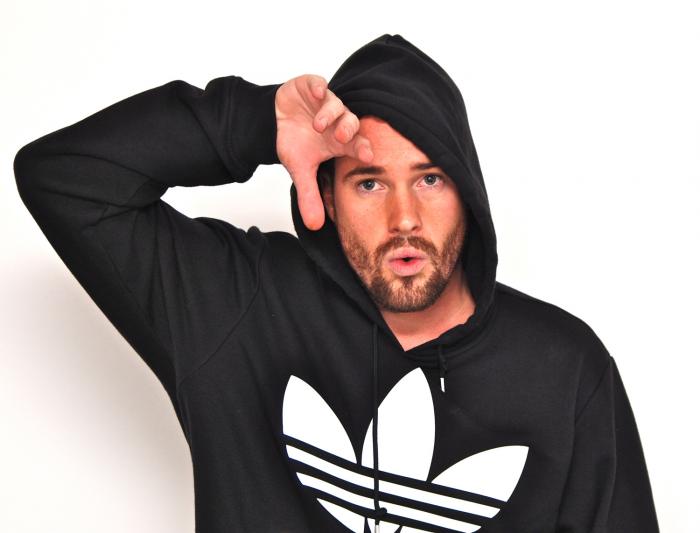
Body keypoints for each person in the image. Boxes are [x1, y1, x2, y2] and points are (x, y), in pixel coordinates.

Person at [14, 33, 659, 533]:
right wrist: (256, 122)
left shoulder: (566, 370)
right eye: (369, 182)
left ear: (467, 191)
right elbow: (62, 179)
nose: (404, 218)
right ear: (325, 194)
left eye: (430, 179)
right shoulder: (240, 306)